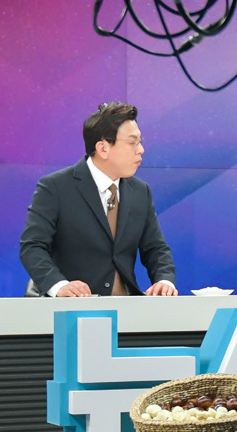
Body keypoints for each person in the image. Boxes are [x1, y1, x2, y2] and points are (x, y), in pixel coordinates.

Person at [20, 102, 178, 298]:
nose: (141, 150)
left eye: (140, 141)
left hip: (127, 306)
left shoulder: (140, 191)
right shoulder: (55, 187)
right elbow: (33, 246)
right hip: (74, 307)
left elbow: (156, 249)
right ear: (103, 148)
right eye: (132, 143)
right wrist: (59, 286)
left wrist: (164, 281)